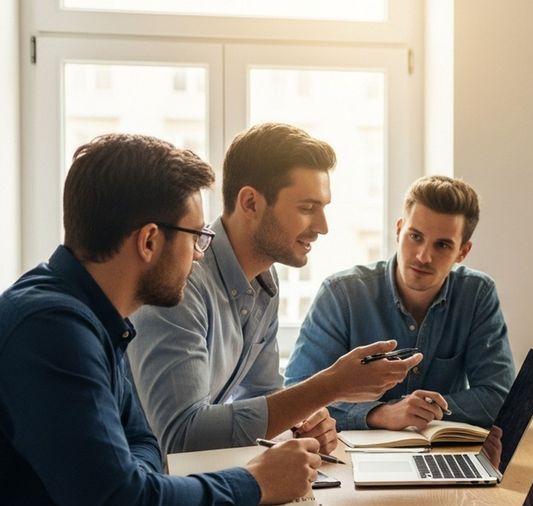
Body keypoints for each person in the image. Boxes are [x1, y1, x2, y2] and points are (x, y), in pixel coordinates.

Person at [0, 134, 321, 506]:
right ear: (149, 241)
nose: (199, 255)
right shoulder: (53, 328)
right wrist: (255, 482)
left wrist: (139, 488)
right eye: (196, 238)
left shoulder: (101, 320)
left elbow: (144, 446)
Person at [128, 123, 420, 454]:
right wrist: (329, 386)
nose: (323, 227)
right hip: (153, 488)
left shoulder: (265, 280)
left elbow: (260, 394)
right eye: (307, 208)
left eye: (323, 208)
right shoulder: (181, 283)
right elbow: (181, 438)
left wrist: (300, 424)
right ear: (251, 203)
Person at [283, 175, 516, 431]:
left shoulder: (477, 294)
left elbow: (499, 398)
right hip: (351, 458)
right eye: (415, 236)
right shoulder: (341, 294)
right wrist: (381, 414)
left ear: (463, 251)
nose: (423, 256)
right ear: (398, 229)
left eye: (442, 245)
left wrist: (424, 410)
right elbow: (298, 393)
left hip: (439, 456)